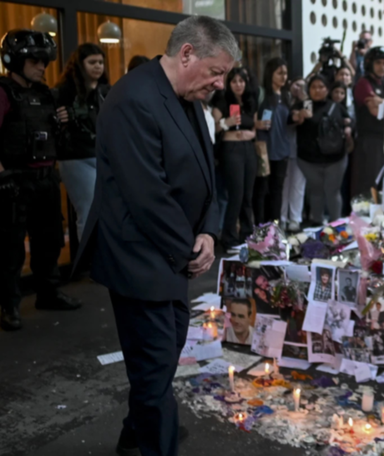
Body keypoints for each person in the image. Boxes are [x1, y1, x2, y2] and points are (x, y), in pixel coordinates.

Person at [73, 16, 238, 456]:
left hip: (173, 255)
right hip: (139, 259)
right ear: (187, 54)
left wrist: (208, 231)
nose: (220, 84)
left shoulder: (186, 96)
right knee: (154, 371)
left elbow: (207, 173)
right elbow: (148, 193)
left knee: (160, 364)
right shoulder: (133, 99)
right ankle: (154, 444)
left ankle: (134, 438)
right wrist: (190, 247)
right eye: (216, 72)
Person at [0, 29, 82, 331]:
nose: (42, 67)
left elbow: (55, 139)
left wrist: (61, 125)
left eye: (44, 62)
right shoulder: (4, 92)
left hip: (46, 179)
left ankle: (48, 293)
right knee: (10, 249)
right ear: (16, 61)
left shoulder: (45, 93)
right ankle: (9, 305)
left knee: (49, 240)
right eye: (35, 61)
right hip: (15, 182)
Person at [53, 43, 110, 240]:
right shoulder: (64, 91)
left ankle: (104, 260)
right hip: (75, 157)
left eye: (101, 62)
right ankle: (89, 263)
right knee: (88, 210)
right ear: (80, 64)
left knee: (108, 210)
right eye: (92, 62)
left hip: (103, 156)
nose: (98, 66)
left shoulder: (106, 90)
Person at [293, 75, 351, 224]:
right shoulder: (303, 105)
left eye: (321, 87)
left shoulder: (336, 106)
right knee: (316, 192)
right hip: (309, 160)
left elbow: (350, 121)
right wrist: (298, 116)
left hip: (336, 159)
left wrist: (349, 127)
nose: (317, 90)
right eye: (313, 87)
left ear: (327, 89)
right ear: (309, 89)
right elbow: (290, 119)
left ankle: (336, 226)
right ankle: (317, 224)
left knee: (333, 192)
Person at [213, 66, 258, 249]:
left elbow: (254, 128)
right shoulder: (222, 100)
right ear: (228, 83)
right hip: (231, 151)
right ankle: (229, 237)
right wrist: (226, 123)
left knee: (248, 196)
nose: (238, 85)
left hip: (248, 149)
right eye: (234, 81)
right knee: (236, 195)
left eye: (241, 81)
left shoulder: (250, 101)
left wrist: (250, 135)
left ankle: (247, 235)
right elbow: (213, 128)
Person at [254, 57, 292, 224]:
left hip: (282, 150)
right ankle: (260, 229)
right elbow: (251, 117)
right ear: (271, 74)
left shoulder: (287, 96)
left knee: (277, 190)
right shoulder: (262, 94)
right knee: (262, 191)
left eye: (285, 73)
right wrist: (256, 124)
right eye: (279, 73)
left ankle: (274, 228)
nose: (283, 77)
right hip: (264, 150)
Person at [351, 47, 384, 199]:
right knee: (368, 183)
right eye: (378, 63)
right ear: (369, 63)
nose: (382, 67)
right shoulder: (363, 82)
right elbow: (374, 109)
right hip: (368, 141)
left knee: (382, 184)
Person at [280, 77, 307, 232]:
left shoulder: (307, 102)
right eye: (297, 85)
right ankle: (282, 218)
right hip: (283, 148)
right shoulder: (283, 100)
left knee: (298, 186)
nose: (299, 89)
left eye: (303, 86)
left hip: (301, 150)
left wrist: (304, 100)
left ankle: (295, 219)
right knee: (284, 186)